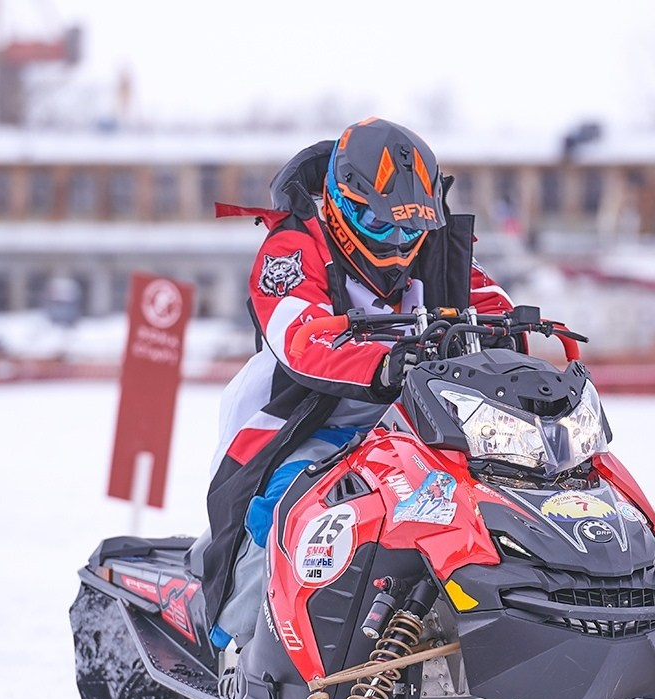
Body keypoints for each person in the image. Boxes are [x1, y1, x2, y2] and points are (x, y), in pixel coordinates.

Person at [202, 118, 512, 650]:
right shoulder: (295, 248)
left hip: (421, 425)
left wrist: (523, 344)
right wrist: (384, 362)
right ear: (342, 204)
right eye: (378, 223)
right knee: (284, 507)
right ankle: (236, 643)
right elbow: (298, 335)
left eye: (409, 229)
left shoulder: (434, 247)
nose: (396, 243)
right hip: (311, 417)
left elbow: (493, 307)